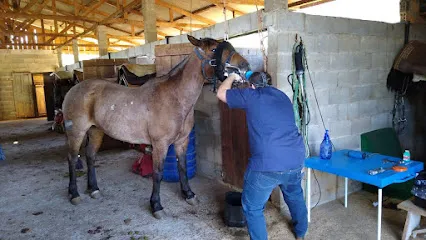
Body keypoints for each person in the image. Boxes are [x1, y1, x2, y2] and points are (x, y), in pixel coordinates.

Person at [216, 71, 308, 240]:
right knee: (295, 195)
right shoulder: (282, 96)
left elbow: (221, 93)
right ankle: (301, 232)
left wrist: (232, 77)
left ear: (251, 86)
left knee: (252, 207)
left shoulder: (252, 95)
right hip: (295, 158)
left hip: (267, 165)